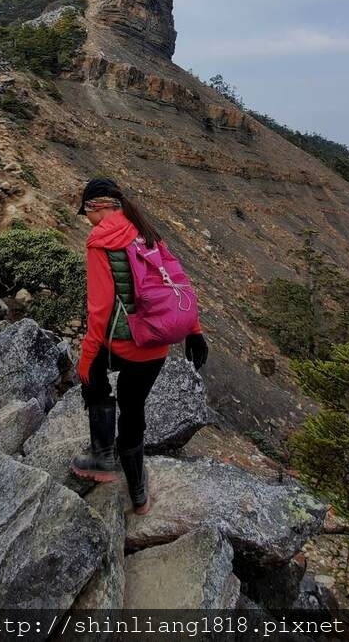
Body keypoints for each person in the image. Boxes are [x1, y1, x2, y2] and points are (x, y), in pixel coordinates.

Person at [71, 178, 209, 514]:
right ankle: (139, 495)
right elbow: (177, 281)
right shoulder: (146, 230)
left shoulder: (100, 241)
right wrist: (194, 329)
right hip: (157, 345)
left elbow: (100, 310)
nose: (87, 220)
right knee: (134, 412)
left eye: (86, 212)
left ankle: (102, 457)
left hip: (124, 342)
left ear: (95, 207)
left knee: (95, 381)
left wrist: (86, 359)